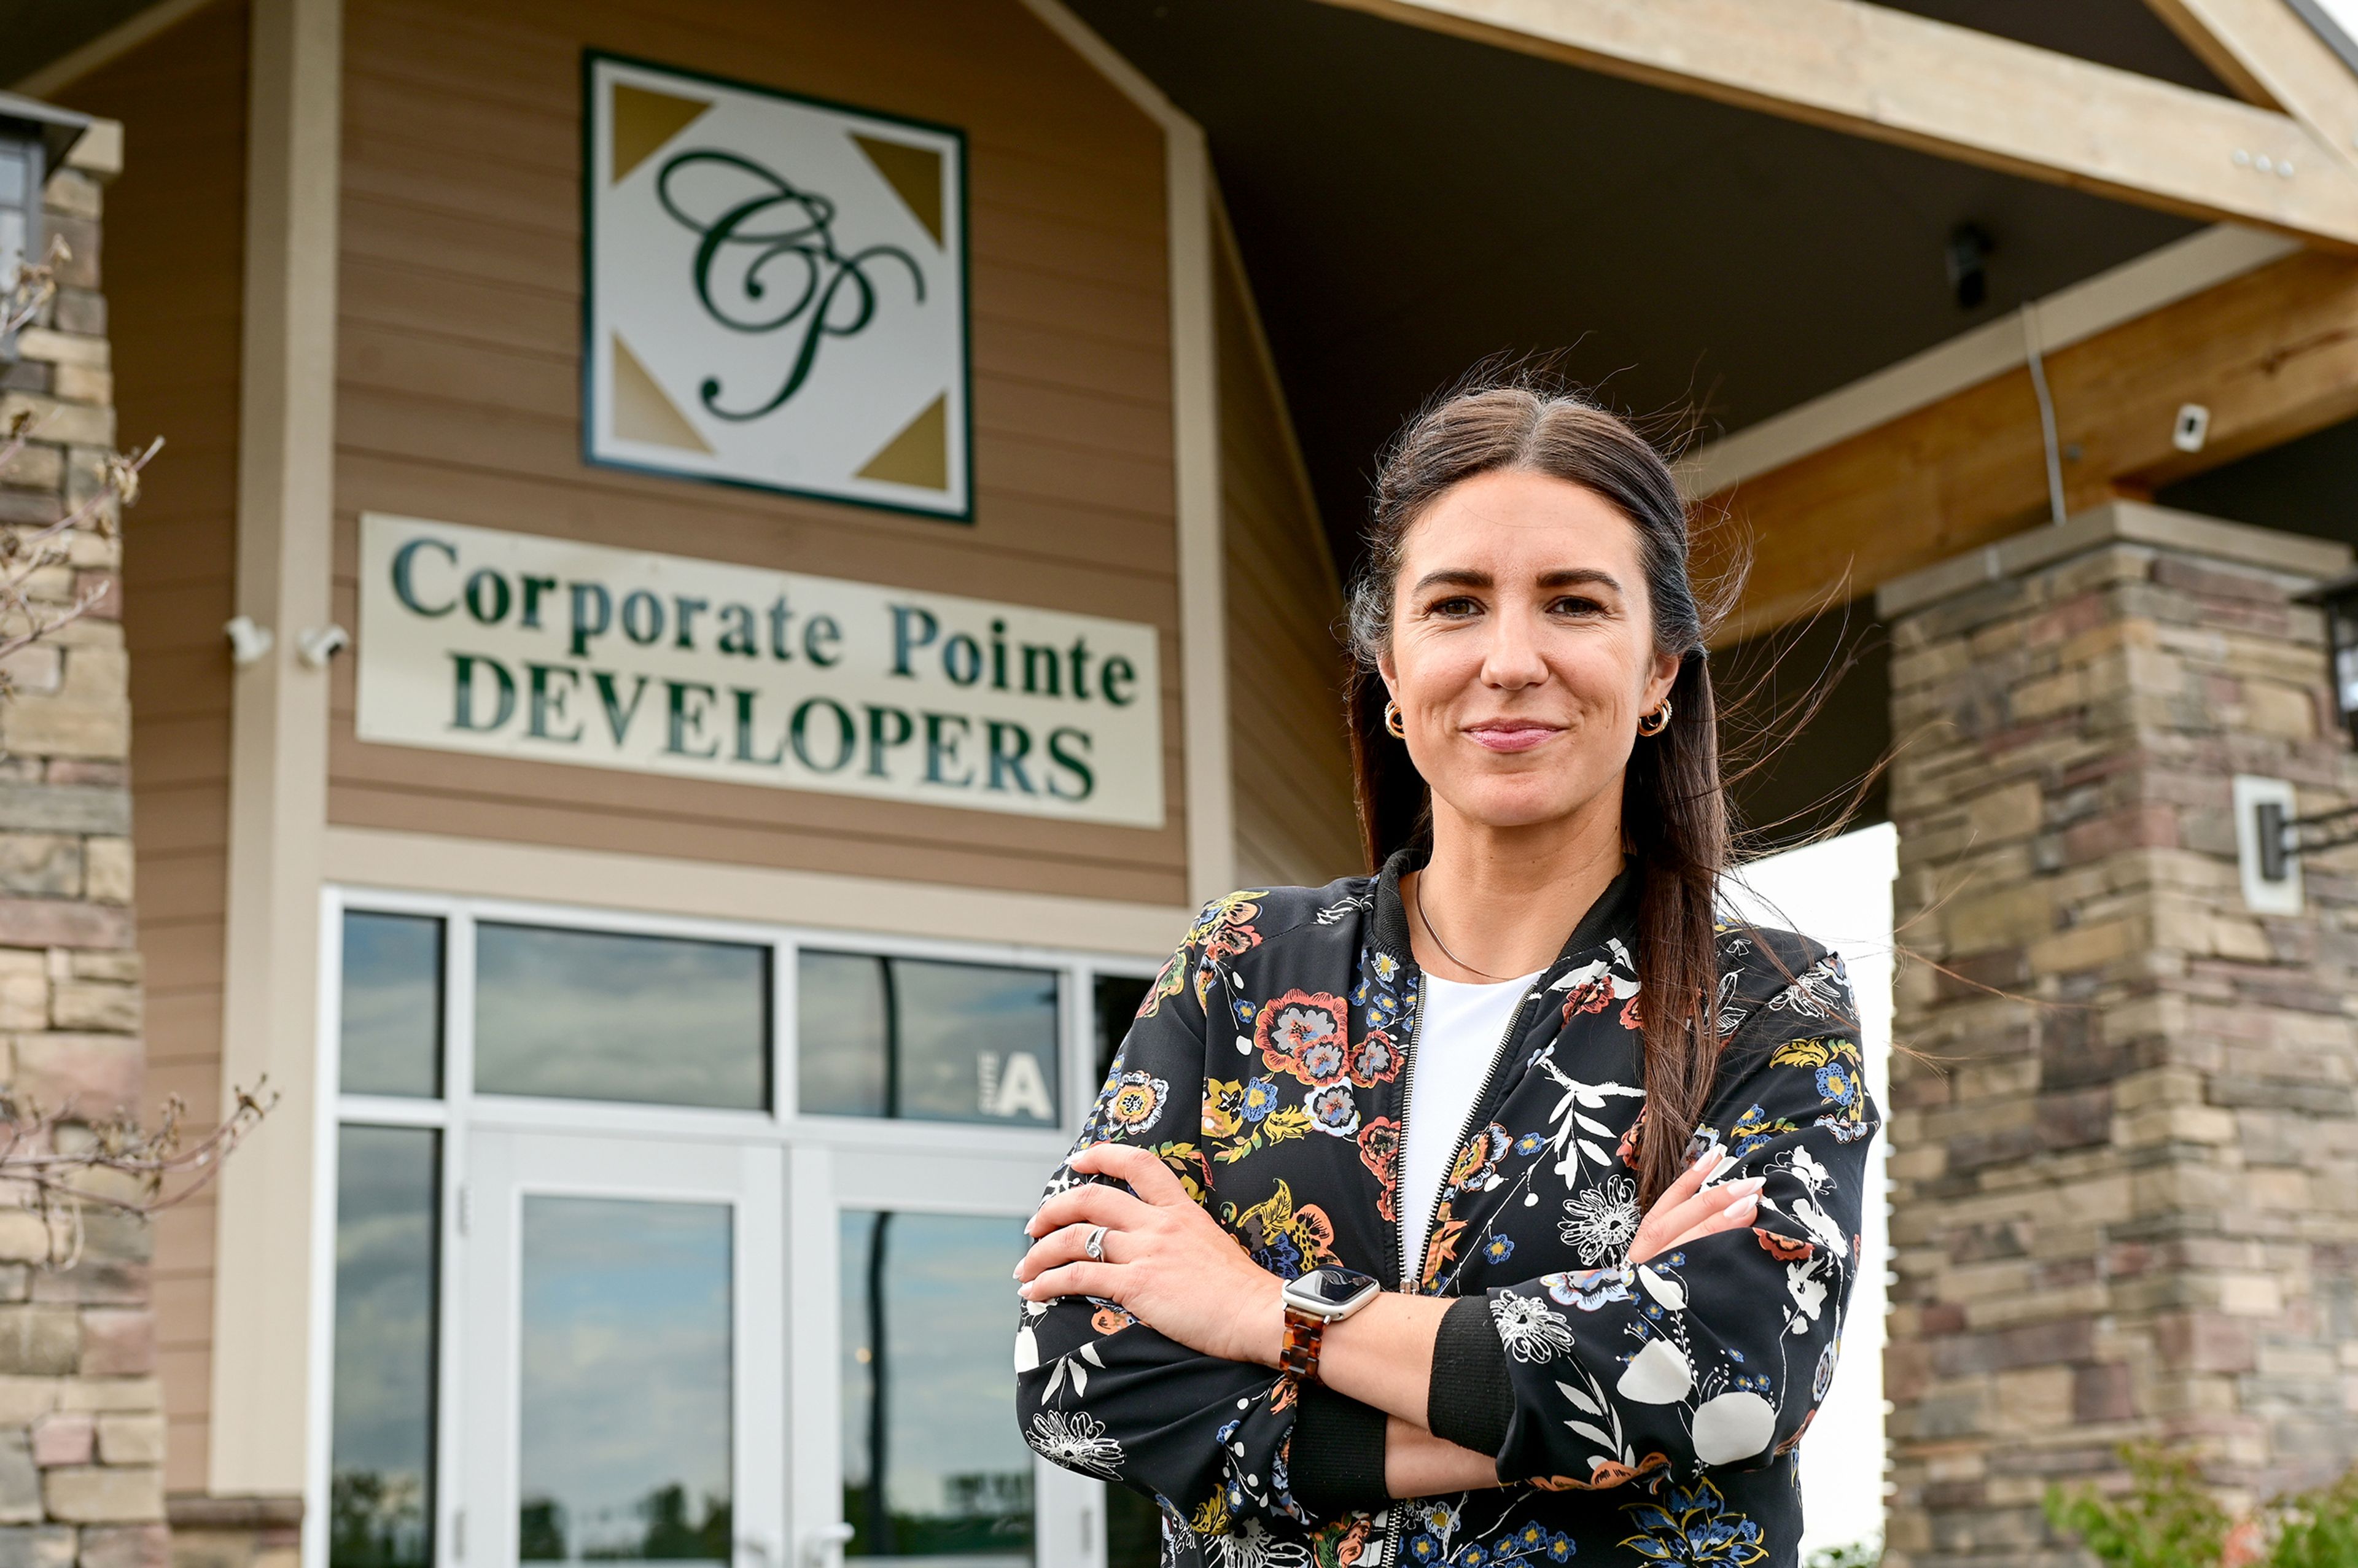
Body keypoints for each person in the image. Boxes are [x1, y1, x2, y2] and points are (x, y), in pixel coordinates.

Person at [1012, 379, 1878, 1568]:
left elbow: (1728, 1371)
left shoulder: (1769, 1006)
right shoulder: (1238, 973)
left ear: (1663, 670)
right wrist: (1563, 1382)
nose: (1511, 659)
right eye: (1457, 604)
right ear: (1391, 664)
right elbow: (1082, 1371)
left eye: (1573, 603)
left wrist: (1261, 1312)